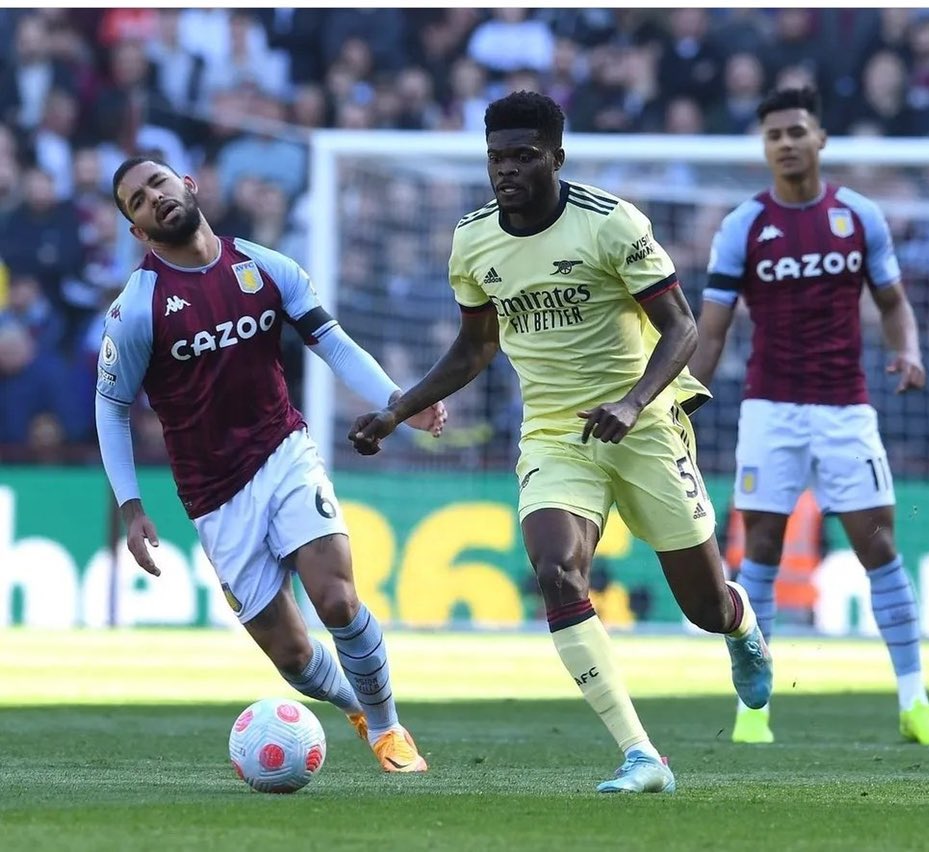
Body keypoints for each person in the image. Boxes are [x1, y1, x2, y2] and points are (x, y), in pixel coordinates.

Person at [348, 91, 773, 793]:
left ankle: (741, 626)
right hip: (554, 433)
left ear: (557, 158)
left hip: (642, 424)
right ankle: (642, 756)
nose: (506, 171)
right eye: (496, 158)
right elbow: (474, 347)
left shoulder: (611, 225)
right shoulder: (473, 240)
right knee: (555, 570)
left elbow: (683, 328)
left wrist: (634, 403)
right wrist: (398, 411)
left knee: (703, 607)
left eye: (523, 156)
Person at [96, 157, 447, 773]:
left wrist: (399, 403)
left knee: (336, 600)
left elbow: (331, 340)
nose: (153, 198)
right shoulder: (136, 310)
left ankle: (390, 731)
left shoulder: (266, 266)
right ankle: (355, 707)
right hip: (213, 496)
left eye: (158, 183)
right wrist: (131, 508)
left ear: (189, 185)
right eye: (137, 202)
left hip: (284, 452)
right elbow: (112, 409)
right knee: (291, 656)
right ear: (139, 232)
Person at [689, 86, 929, 746]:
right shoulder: (742, 226)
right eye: (773, 134)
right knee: (761, 551)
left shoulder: (858, 216)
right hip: (769, 409)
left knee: (880, 547)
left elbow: (893, 302)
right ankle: (754, 710)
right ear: (765, 148)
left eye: (796, 131)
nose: (785, 143)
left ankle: (914, 702)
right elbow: (714, 328)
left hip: (845, 408)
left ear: (820, 140)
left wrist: (908, 351)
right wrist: (684, 396)